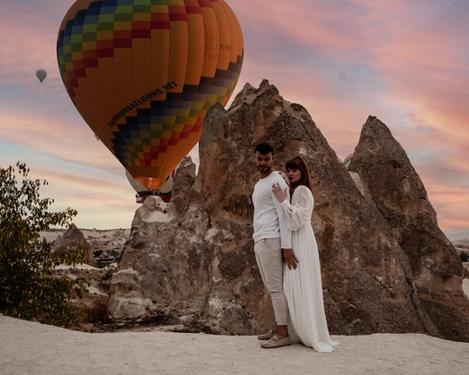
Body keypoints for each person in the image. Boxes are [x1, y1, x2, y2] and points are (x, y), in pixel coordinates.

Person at [272, 156, 339, 352]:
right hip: (297, 238)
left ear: (302, 172)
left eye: (295, 170)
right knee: (293, 284)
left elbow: (296, 221)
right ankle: (299, 330)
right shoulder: (295, 191)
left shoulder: (303, 191)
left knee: (297, 283)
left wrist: (283, 202)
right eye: (289, 170)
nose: (291, 173)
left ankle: (306, 332)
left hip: (301, 239)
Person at [252, 142, 294, 349]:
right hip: (259, 238)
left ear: (272, 158)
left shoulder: (277, 181)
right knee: (270, 288)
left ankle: (283, 333)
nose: (263, 163)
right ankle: (277, 326)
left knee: (276, 288)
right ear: (255, 158)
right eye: (260, 159)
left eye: (267, 159)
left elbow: (284, 215)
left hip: (272, 238)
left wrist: (286, 247)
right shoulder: (259, 184)